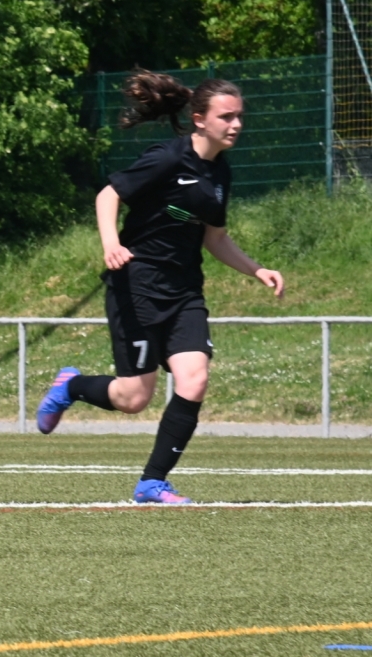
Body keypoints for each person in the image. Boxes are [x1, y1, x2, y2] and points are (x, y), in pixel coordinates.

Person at [34, 73, 284, 504]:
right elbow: (108, 195)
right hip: (138, 287)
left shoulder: (221, 173)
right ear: (200, 119)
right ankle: (71, 386)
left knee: (195, 379)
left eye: (239, 116)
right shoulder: (168, 158)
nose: (236, 124)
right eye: (227, 116)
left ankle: (152, 482)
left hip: (184, 292)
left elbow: (215, 238)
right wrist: (111, 244)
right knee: (134, 398)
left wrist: (256, 269)